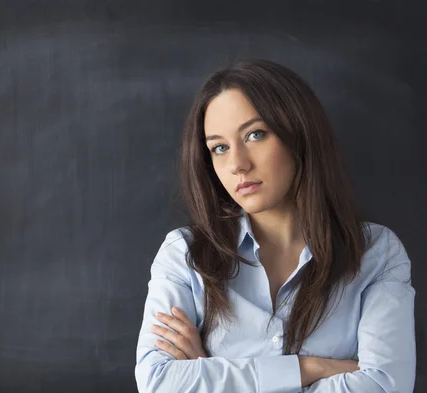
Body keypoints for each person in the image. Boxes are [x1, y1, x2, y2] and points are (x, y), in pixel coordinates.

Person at [134, 58, 416, 393]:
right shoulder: (185, 255)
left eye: (255, 134)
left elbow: (386, 386)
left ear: (299, 134)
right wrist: (311, 369)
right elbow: (158, 382)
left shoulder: (376, 253)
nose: (237, 164)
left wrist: (209, 373)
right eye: (219, 148)